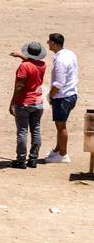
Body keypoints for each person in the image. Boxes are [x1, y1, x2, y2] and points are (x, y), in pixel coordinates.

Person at [9, 41, 47, 169]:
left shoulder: (23, 67)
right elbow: (34, 63)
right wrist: (20, 56)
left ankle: (21, 159)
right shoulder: (42, 65)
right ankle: (33, 159)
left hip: (24, 102)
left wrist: (12, 102)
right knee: (36, 130)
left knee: (22, 131)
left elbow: (19, 86)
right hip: (38, 102)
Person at [44, 33, 79, 164]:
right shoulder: (70, 54)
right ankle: (58, 149)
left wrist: (50, 95)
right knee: (60, 125)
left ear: (53, 43)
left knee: (61, 127)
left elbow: (59, 83)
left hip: (62, 97)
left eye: (49, 41)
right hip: (71, 94)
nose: (47, 43)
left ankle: (63, 155)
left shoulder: (60, 60)